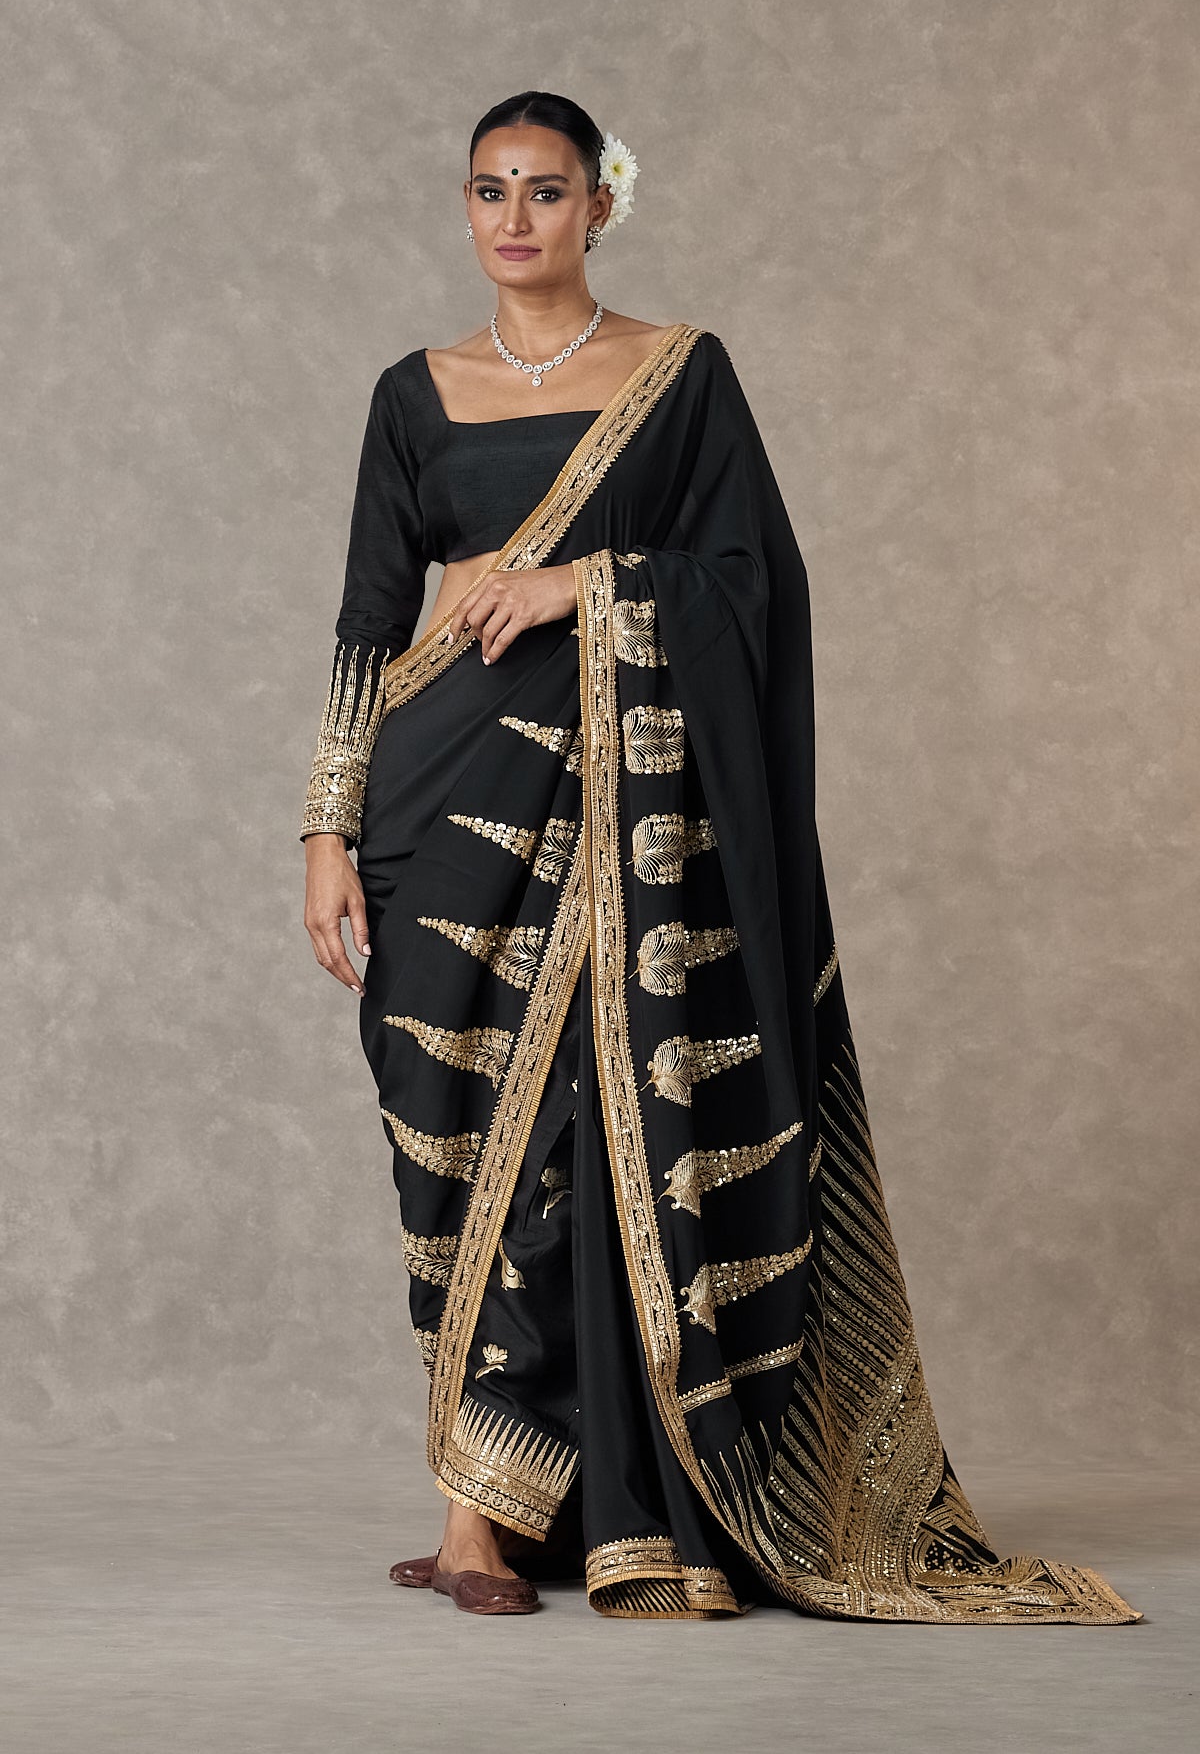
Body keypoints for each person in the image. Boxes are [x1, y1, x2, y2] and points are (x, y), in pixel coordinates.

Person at [299, 90, 1140, 1625]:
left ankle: (509, 1517)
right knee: (452, 1139)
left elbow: (755, 582)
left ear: (599, 205)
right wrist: (325, 831)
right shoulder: (412, 395)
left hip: (619, 826)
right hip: (440, 810)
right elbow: (367, 621)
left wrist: (586, 584)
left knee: (582, 1134)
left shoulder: (679, 377)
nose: (514, 218)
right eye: (489, 189)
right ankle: (482, 1488)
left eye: (546, 189)